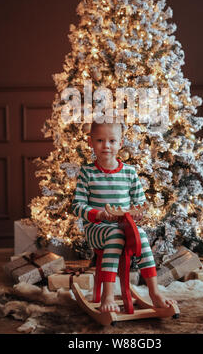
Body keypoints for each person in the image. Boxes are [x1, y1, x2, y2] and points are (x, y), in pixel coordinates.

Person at [71, 120, 175, 313]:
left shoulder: (129, 172)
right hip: (97, 229)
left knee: (141, 235)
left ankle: (154, 291)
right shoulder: (87, 173)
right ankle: (108, 295)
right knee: (115, 236)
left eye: (112, 141)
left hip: (123, 226)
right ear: (90, 142)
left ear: (120, 143)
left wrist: (137, 216)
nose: (106, 146)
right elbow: (77, 206)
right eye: (100, 140)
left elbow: (139, 204)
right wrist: (99, 214)